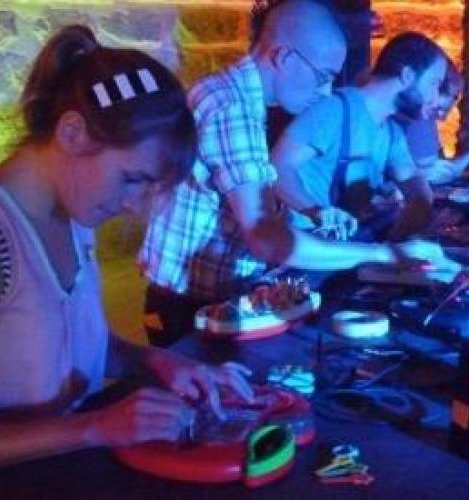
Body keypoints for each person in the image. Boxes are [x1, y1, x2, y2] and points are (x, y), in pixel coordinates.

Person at [0, 25, 254, 500]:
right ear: (72, 132)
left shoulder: (73, 210)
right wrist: (95, 426)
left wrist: (157, 361)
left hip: (55, 474)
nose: (136, 207)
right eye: (133, 179)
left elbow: (73, 343)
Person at [139, 1, 447, 348]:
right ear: (284, 58)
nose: (325, 92)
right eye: (323, 77)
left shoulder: (236, 96)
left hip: (209, 296)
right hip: (188, 308)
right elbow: (266, 237)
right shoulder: (232, 106)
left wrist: (310, 211)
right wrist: (386, 254)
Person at [272, 31, 446, 242]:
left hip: (341, 246)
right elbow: (277, 166)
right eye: (434, 83)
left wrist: (416, 208)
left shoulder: (391, 131)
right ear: (408, 75)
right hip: (303, 244)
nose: (436, 98)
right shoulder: (335, 110)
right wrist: (315, 210)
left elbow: (411, 179)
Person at [399, 59, 469, 184]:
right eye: (441, 109)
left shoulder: (426, 119)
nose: (442, 117)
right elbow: (438, 176)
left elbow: (438, 169)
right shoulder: (420, 122)